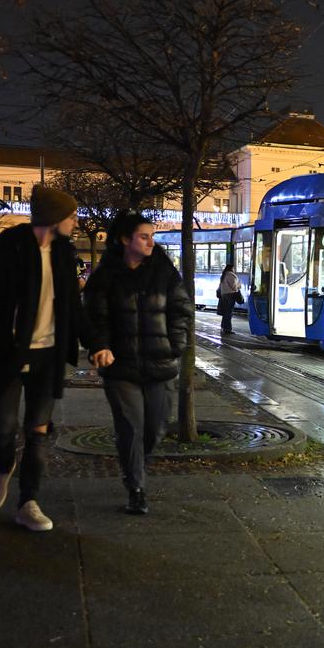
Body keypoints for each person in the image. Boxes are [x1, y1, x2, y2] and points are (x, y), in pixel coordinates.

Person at [0, 185, 113, 532]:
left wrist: (96, 343)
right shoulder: (1, 251)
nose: (76, 221)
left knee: (38, 433)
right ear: (54, 218)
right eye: (72, 215)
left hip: (48, 357)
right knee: (3, 428)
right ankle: (3, 465)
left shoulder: (64, 255)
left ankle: (28, 503)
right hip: (8, 354)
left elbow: (72, 309)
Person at [84, 213, 191, 515]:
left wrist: (175, 347)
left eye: (151, 236)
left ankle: (134, 468)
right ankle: (136, 488)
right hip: (121, 368)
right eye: (144, 236)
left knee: (154, 429)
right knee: (131, 427)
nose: (150, 242)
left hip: (160, 363)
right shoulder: (105, 277)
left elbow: (181, 309)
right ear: (124, 240)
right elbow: (94, 319)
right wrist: (100, 346)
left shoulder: (164, 272)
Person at [217, 260, 242, 335]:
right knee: (228, 313)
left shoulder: (224, 275)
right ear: (231, 268)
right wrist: (239, 285)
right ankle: (228, 329)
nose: (234, 270)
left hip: (224, 295)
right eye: (233, 268)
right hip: (230, 295)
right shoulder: (231, 275)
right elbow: (234, 287)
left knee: (225, 313)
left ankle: (223, 327)